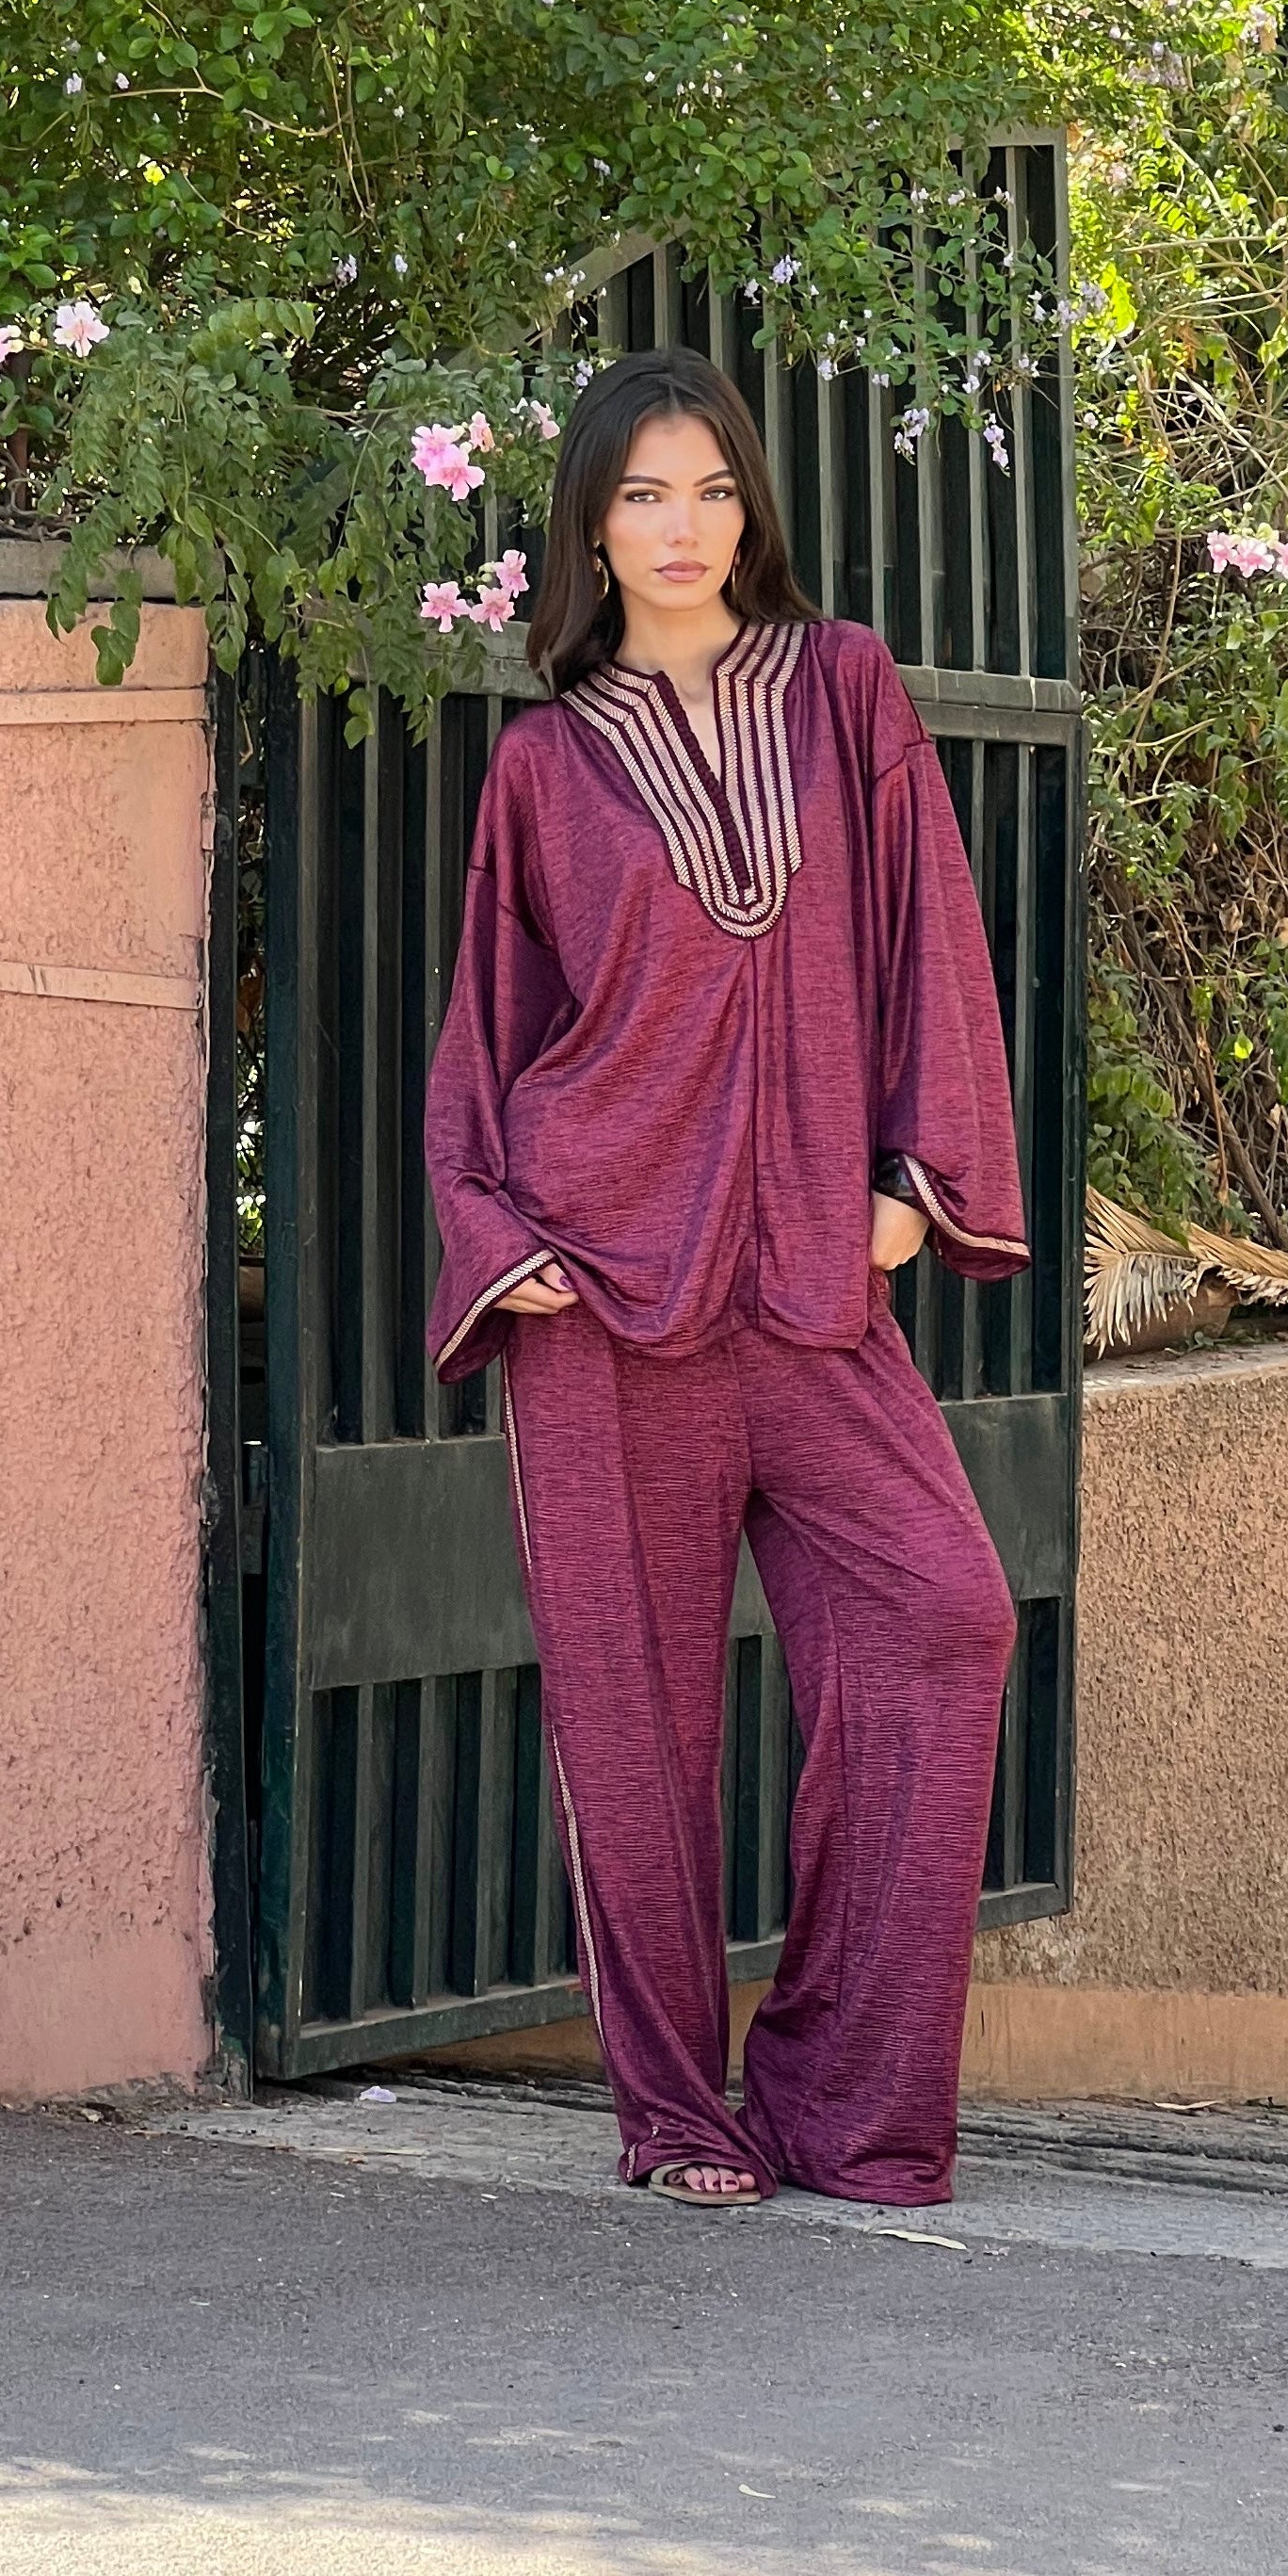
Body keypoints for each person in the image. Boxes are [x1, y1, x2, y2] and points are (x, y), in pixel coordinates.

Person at [422, 347, 1028, 2211]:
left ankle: (845, 2096)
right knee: (638, 1724)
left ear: (751, 504)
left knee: (947, 1612)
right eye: (637, 497)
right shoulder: (543, 765)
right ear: (588, 529)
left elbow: (929, 931)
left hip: (812, 1284)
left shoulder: (845, 690)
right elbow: (492, 1033)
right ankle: (683, 2120)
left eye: (707, 490)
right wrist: (494, 1239)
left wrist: (915, 1184)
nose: (679, 529)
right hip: (602, 1295)